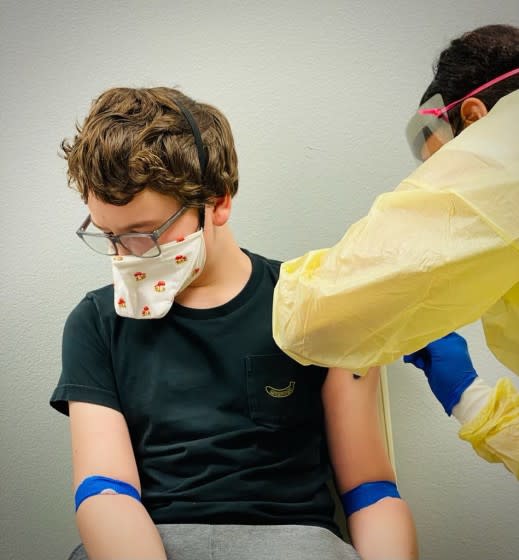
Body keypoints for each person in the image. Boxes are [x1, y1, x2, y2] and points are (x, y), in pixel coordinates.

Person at [50, 87, 417, 560]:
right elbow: (105, 492)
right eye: (109, 237)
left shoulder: (316, 302)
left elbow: (370, 489)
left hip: (296, 544)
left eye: (146, 235)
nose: (124, 257)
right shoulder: (97, 321)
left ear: (218, 201)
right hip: (147, 541)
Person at [272, 24, 519, 478]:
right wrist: (472, 399)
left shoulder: (505, 147)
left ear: (477, 117)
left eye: (446, 165)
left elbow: (312, 322)